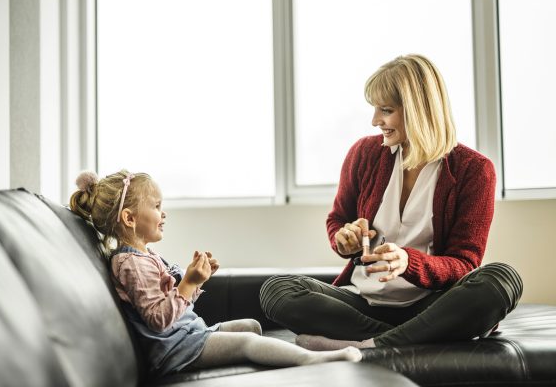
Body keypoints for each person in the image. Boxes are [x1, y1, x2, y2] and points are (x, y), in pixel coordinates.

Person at [259, 54, 523, 350]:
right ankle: (407, 339)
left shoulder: (474, 170)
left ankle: (370, 344)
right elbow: (337, 220)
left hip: (432, 303)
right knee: (277, 289)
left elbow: (465, 263)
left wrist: (410, 261)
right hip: (363, 302)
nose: (375, 121)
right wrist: (345, 240)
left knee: (503, 279)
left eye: (386, 110)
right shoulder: (364, 153)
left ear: (418, 111)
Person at [69, 170, 361, 377]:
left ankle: (290, 358)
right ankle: (315, 360)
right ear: (129, 218)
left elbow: (175, 307)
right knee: (249, 342)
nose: (164, 213)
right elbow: (158, 320)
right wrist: (187, 284)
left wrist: (197, 281)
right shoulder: (131, 264)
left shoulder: (144, 256)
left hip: (187, 334)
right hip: (175, 350)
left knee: (251, 326)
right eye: (157, 207)